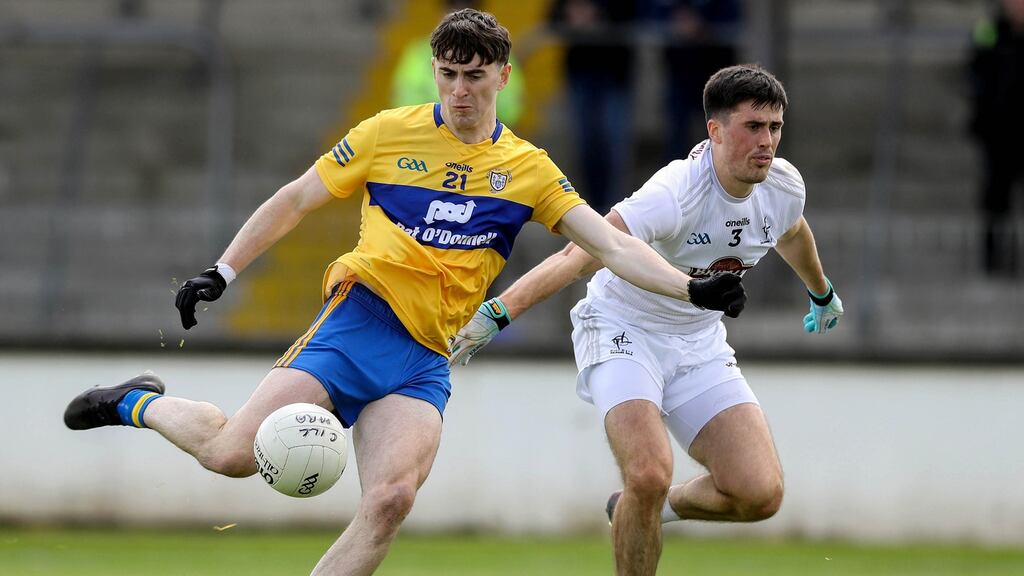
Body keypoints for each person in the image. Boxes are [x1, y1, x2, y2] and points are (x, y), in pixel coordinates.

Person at [62, 9, 744, 575]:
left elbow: (611, 243)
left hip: (425, 357)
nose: (459, 91)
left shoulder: (528, 170)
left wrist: (692, 289)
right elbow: (297, 198)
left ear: (504, 76)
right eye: (448, 75)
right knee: (233, 457)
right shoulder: (388, 134)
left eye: (475, 77)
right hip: (358, 321)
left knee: (389, 500)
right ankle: (136, 403)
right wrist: (223, 270)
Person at [449, 64, 844, 576]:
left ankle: (639, 509)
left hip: (698, 341)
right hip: (623, 329)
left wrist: (820, 291)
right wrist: (495, 314)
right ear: (716, 130)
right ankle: (645, 498)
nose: (766, 142)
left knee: (759, 493)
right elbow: (577, 255)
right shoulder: (675, 192)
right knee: (650, 471)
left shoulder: (784, 184)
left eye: (774, 128)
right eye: (753, 127)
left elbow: (791, 233)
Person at [548, 0, 637, 213]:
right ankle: (589, 210)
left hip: (615, 75)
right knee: (585, 144)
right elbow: (552, 17)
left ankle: (616, 211)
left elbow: (634, 14)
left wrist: (598, 14)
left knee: (614, 146)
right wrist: (570, 14)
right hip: (580, 73)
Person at [392, 0, 525, 127]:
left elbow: (510, 110)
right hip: (426, 138)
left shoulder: (497, 54)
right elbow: (405, 104)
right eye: (448, 73)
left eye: (475, 75)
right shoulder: (418, 54)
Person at [969, 0, 1024, 277]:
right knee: (995, 198)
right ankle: (993, 260)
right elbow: (976, 71)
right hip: (999, 132)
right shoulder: (989, 30)